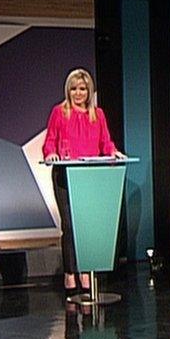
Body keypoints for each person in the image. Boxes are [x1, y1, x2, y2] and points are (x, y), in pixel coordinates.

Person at [43, 68, 126, 294]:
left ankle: (86, 271)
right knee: (69, 226)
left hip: (90, 179)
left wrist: (113, 152)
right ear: (68, 90)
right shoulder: (59, 112)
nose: (78, 93)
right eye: (74, 89)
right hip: (65, 176)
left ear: (89, 91)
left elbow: (105, 142)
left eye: (82, 89)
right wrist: (50, 154)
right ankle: (70, 273)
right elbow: (50, 141)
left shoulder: (97, 114)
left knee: (87, 227)